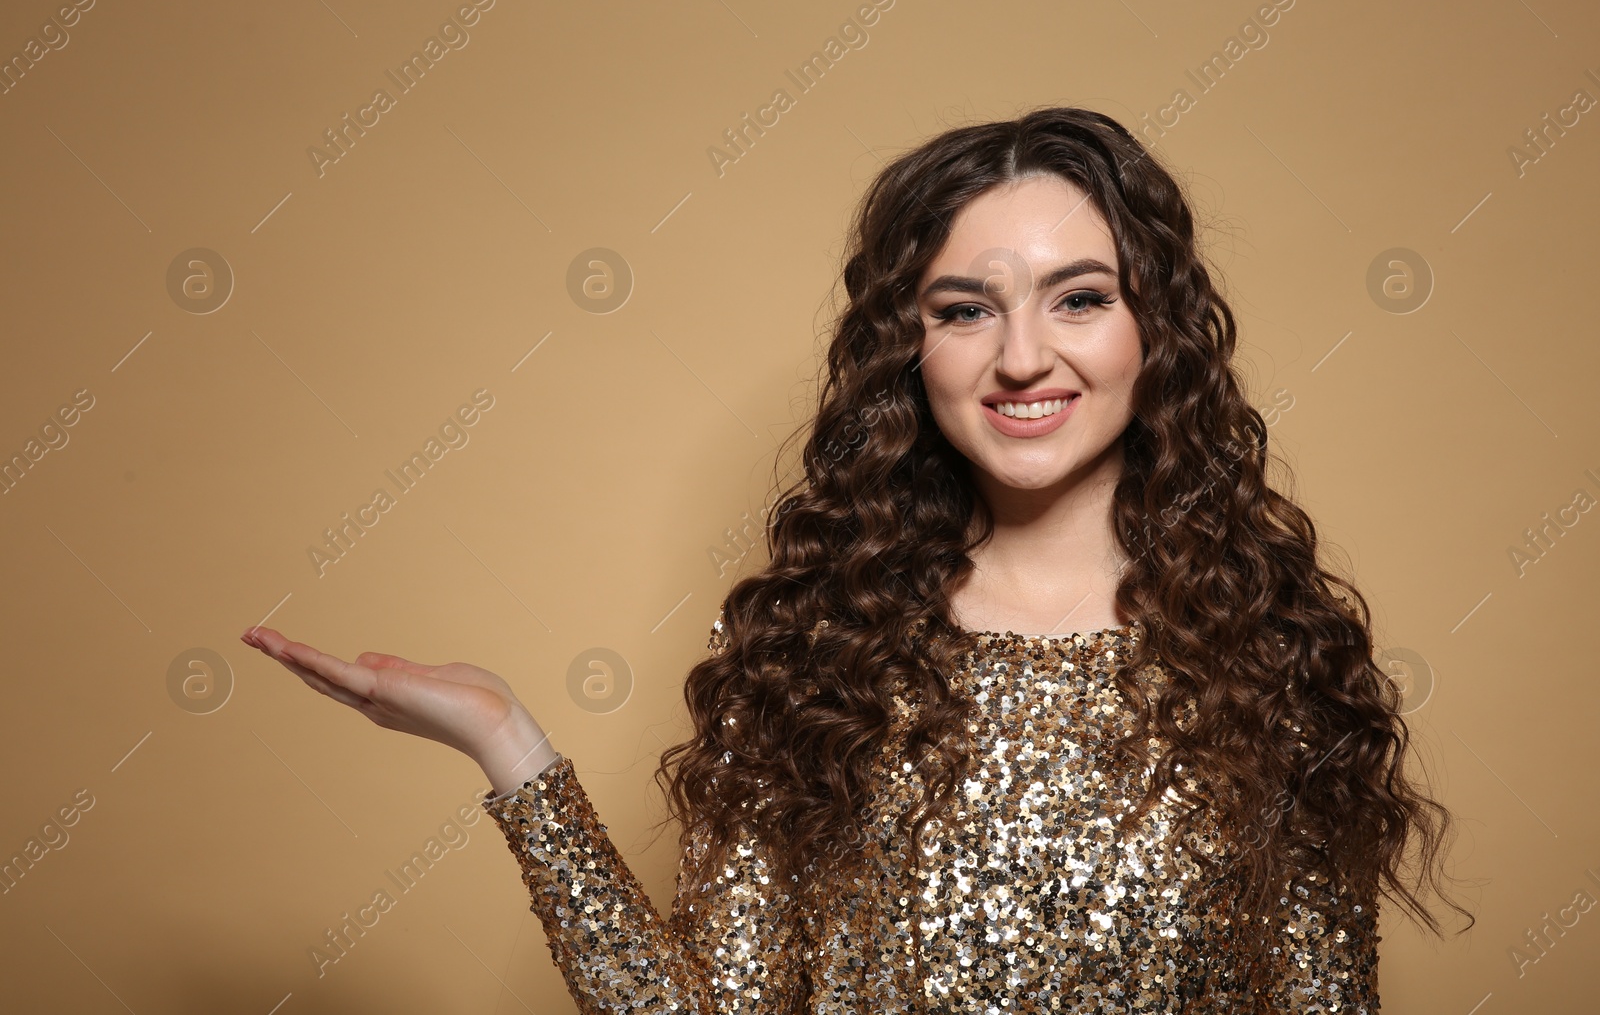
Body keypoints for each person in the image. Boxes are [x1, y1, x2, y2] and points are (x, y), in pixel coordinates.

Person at [244, 106, 1470, 1012]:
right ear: (909, 348)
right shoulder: (812, 652)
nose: (1023, 356)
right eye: (963, 308)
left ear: (1157, 330)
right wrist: (508, 745)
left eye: (1079, 296)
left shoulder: (1272, 651)